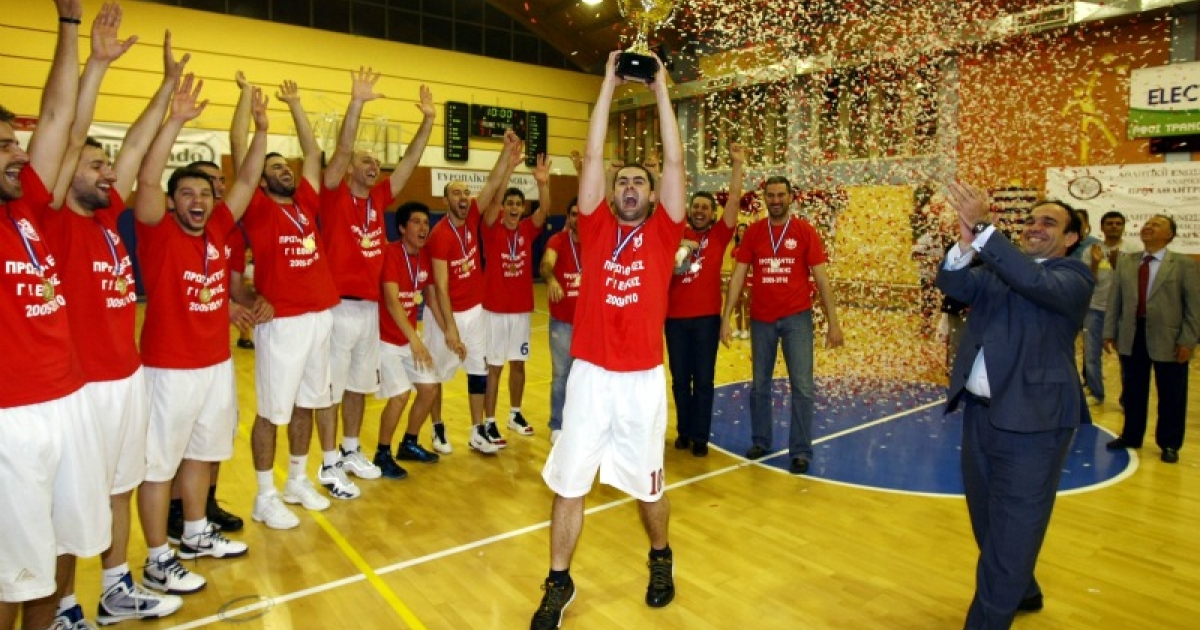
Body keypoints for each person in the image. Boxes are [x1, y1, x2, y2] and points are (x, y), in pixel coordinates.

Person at [40, 14, 187, 625]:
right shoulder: (52, 220)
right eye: (94, 165)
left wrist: (168, 93)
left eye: (107, 168)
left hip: (126, 377)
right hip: (82, 387)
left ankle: (115, 586)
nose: (109, 173)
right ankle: (62, 605)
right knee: (70, 502)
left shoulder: (105, 220)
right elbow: (67, 128)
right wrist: (93, 61)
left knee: (121, 484)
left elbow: (132, 149)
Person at [531, 49, 686, 630]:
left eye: (639, 182)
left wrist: (661, 87)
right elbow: (592, 154)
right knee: (569, 483)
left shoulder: (664, 233)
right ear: (610, 192)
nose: (629, 186)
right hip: (591, 377)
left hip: (641, 381)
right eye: (623, 181)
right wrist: (606, 84)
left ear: (651, 194)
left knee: (648, 489)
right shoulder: (594, 227)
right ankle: (558, 581)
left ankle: (660, 556)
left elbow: (676, 161)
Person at [132, 75, 268, 597]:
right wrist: (175, 120)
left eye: (204, 193)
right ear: (171, 202)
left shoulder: (217, 229)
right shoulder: (156, 230)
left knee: (200, 455)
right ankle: (157, 559)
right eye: (186, 193)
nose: (198, 199)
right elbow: (147, 178)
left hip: (215, 365)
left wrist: (261, 129)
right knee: (157, 467)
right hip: (168, 370)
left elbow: (248, 178)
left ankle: (194, 534)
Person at [937, 183, 1093, 630]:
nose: (1035, 227)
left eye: (1049, 222)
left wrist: (985, 228)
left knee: (1014, 528)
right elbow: (954, 284)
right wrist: (965, 244)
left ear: (1070, 238)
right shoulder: (999, 269)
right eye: (1031, 219)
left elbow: (1034, 282)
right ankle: (1022, 588)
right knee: (987, 518)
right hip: (981, 415)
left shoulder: (1073, 277)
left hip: (1034, 422)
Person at [0, 4, 112, 628]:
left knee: (62, 542)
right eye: (3, 147)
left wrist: (73, 35)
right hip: (10, 414)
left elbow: (58, 122)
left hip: (67, 398)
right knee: (11, 568)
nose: (18, 155)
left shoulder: (26, 211)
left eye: (14, 144)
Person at [314, 70, 437, 486]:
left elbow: (409, 163)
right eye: (365, 160)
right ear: (349, 167)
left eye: (374, 162)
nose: (373, 165)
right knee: (331, 390)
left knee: (357, 386)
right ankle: (328, 460)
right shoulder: (333, 195)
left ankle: (350, 450)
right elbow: (342, 148)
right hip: (336, 307)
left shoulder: (379, 198)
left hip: (367, 311)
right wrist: (356, 103)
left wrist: (428, 122)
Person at [241, 78, 344, 527]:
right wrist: (256, 122)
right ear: (261, 180)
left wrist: (296, 104)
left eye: (286, 166)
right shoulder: (258, 208)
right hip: (282, 323)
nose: (285, 171)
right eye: (276, 168)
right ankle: (265, 495)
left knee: (308, 404)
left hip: (321, 317)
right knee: (272, 412)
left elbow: (314, 154)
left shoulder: (304, 202)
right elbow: (243, 163)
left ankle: (297, 480)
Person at [720, 176, 844, 475]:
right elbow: (738, 276)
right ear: (764, 198)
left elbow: (822, 278)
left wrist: (834, 323)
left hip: (797, 319)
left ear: (790, 198)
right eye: (771, 195)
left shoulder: (805, 231)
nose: (775, 200)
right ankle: (761, 441)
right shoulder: (754, 232)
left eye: (780, 195)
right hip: (761, 319)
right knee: (759, 386)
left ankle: (800, 451)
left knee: (802, 387)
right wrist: (726, 318)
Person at [424, 130, 522, 454]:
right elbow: (440, 287)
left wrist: (506, 152)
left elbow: (493, 182)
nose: (464, 197)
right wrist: (450, 328)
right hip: (446, 314)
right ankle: (437, 428)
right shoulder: (439, 235)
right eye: (456, 193)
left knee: (478, 369)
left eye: (466, 192)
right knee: (437, 374)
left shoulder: (473, 218)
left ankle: (477, 430)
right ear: (446, 201)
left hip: (475, 311)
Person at [665, 144, 744, 456]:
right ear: (689, 210)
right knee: (680, 380)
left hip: (707, 321)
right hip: (674, 321)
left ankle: (700, 436)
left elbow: (734, 200)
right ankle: (684, 431)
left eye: (705, 208)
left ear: (712, 214)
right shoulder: (675, 234)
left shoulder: (719, 236)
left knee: (704, 380)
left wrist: (737, 164)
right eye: (695, 206)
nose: (699, 211)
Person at [1103, 214, 1200, 464]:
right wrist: (1109, 331)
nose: (1148, 227)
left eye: (1156, 225)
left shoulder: (1183, 264)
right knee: (1133, 390)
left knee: (1171, 393)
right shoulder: (1126, 262)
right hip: (1132, 334)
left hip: (1170, 338)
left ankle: (1169, 443)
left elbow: (1194, 307)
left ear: (1169, 235)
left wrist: (1188, 340)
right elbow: (1115, 299)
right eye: (1147, 224)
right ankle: (1131, 435)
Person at [375, 201, 457, 478]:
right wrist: (415, 340)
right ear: (401, 227)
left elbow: (431, 298)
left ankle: (409, 443)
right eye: (416, 222)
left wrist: (449, 332)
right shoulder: (390, 253)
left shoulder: (423, 258)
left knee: (430, 388)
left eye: (426, 223)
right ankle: (382, 453)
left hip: (408, 338)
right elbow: (392, 301)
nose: (423, 228)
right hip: (386, 340)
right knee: (400, 395)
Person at [481, 154, 551, 441]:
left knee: (518, 364)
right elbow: (492, 204)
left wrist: (542, 184)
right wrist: (508, 170)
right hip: (495, 310)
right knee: (494, 367)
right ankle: (489, 420)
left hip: (521, 310)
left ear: (522, 208)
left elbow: (544, 210)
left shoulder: (527, 229)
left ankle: (514, 413)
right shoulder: (490, 228)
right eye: (509, 203)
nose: (513, 208)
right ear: (503, 207)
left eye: (518, 204)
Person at [1079, 211, 1137, 406]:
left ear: (1123, 227)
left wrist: (1116, 265)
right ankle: (1096, 393)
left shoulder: (1133, 250)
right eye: (1110, 223)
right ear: (1102, 227)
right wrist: (1095, 264)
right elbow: (1087, 281)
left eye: (1118, 223)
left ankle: (1127, 399)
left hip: (1122, 311)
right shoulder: (1092, 250)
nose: (1114, 226)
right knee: (1091, 355)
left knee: (1126, 358)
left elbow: (1135, 282)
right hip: (1094, 308)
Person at [539, 198, 581, 445]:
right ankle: (557, 424)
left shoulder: (597, 241)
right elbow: (546, 264)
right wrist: (552, 279)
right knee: (561, 375)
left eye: (581, 214)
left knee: (588, 378)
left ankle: (583, 424)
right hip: (563, 323)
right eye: (573, 214)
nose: (578, 219)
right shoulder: (558, 241)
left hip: (590, 325)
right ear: (568, 218)